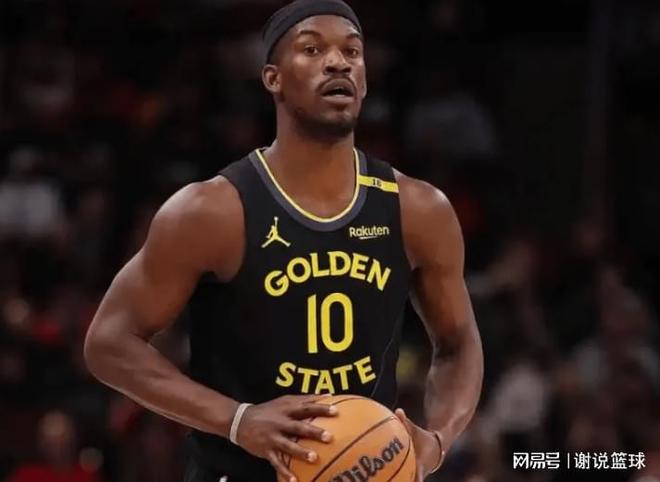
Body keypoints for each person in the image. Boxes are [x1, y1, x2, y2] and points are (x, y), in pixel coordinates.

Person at [83, 1, 484, 481]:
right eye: (312, 49)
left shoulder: (418, 209)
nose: (337, 63)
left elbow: (459, 342)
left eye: (352, 52)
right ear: (272, 78)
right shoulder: (212, 211)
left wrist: (437, 441)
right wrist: (237, 420)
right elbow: (108, 342)